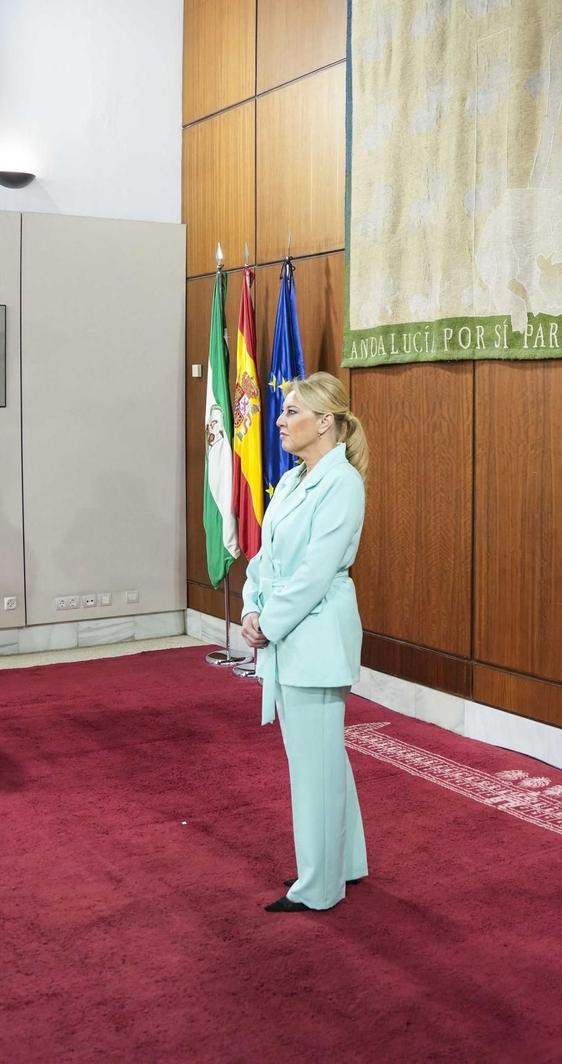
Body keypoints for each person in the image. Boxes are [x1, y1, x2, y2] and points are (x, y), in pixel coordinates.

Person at [241, 372, 370, 913]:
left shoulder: (342, 483)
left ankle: (319, 888)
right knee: (322, 760)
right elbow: (266, 558)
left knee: (313, 771)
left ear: (325, 422)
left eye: (291, 412)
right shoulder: (296, 480)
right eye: (284, 410)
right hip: (289, 632)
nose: (279, 420)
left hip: (312, 639)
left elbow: (316, 571)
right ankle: (349, 861)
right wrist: (251, 604)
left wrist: (267, 623)